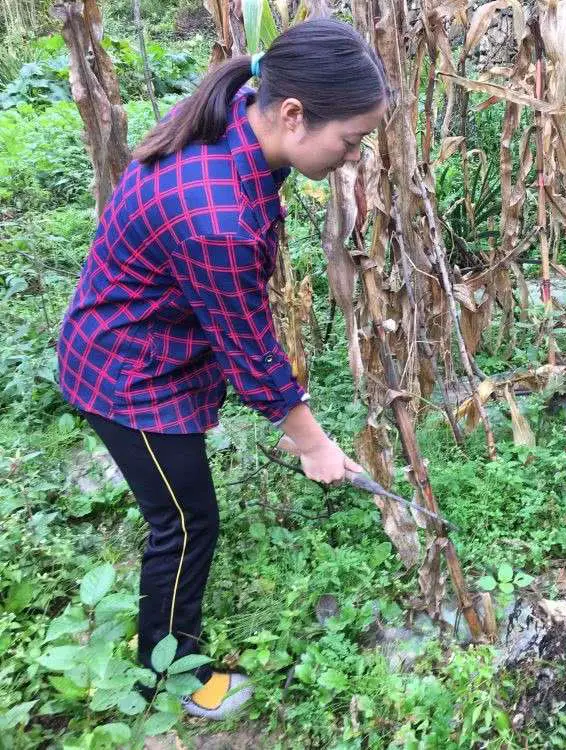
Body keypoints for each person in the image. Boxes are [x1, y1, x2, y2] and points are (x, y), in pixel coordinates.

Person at [57, 18, 387, 719]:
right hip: (124, 378)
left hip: (151, 347)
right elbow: (249, 349)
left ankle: (166, 661)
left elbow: (232, 324)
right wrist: (314, 441)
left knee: (185, 511)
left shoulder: (243, 111)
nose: (351, 156)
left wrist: (294, 428)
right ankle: (170, 672)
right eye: (350, 140)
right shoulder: (216, 217)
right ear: (294, 115)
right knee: (185, 523)